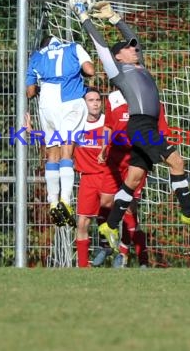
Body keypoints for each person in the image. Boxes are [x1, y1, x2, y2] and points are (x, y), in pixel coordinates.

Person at [72, 0, 190, 251]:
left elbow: (133, 37)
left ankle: (110, 225)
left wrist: (115, 18)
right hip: (140, 126)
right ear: (118, 56)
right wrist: (84, 18)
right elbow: (101, 44)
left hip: (146, 127)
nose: (134, 49)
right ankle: (188, 212)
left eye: (134, 48)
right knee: (177, 162)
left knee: (134, 178)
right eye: (128, 48)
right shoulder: (118, 71)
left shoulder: (140, 66)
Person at [94, 88, 171, 268]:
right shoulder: (113, 97)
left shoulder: (152, 98)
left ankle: (124, 252)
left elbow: (161, 132)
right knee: (105, 202)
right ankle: (105, 246)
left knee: (129, 207)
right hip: (115, 158)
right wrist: (104, 146)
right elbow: (108, 125)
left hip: (137, 158)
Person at [26, 35, 95, 228]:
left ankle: (53, 201)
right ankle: (66, 200)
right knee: (67, 151)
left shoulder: (37, 56)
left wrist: (40, 87)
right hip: (70, 102)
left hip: (47, 106)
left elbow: (30, 92)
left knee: (52, 154)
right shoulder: (73, 48)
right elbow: (90, 70)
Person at [73, 87, 109, 267]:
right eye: (91, 100)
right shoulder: (76, 123)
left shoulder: (108, 123)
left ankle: (113, 252)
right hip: (87, 178)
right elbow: (54, 140)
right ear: (83, 103)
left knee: (109, 219)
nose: (95, 103)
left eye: (97, 100)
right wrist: (32, 132)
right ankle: (82, 267)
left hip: (107, 177)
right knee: (82, 222)